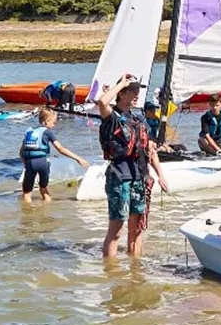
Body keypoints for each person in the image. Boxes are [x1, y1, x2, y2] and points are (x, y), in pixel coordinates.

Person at [95, 74, 170, 259]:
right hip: (120, 176)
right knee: (117, 229)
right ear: (121, 94)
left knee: (137, 228)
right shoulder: (112, 117)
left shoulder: (138, 119)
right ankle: (112, 273)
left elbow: (150, 150)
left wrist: (160, 175)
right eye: (132, 91)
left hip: (140, 176)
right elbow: (102, 103)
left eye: (138, 91)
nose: (137, 94)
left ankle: (135, 271)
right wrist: (120, 83)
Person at [20, 108, 91, 203]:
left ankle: (29, 215)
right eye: (53, 122)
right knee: (44, 189)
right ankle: (46, 211)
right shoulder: (48, 132)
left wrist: (26, 164)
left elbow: (21, 152)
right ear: (46, 121)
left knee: (26, 193)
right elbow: (60, 149)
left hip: (30, 163)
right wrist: (78, 159)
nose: (54, 125)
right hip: (43, 163)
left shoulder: (29, 131)